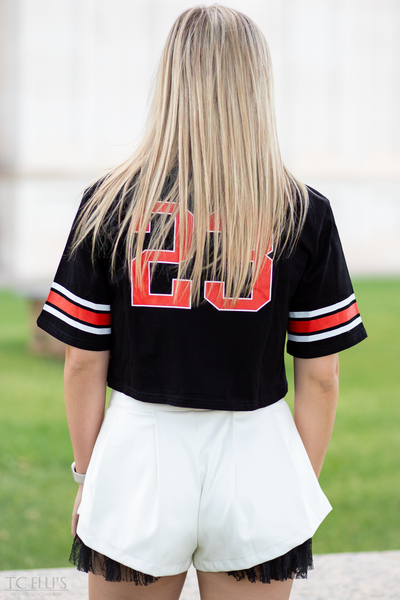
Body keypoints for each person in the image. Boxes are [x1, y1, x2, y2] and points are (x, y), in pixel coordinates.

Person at [37, 5, 367, 600]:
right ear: (256, 86)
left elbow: (84, 360)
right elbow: (320, 377)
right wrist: (290, 485)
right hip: (257, 448)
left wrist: (90, 476)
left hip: (140, 451)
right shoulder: (304, 210)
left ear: (170, 82)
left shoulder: (107, 203)